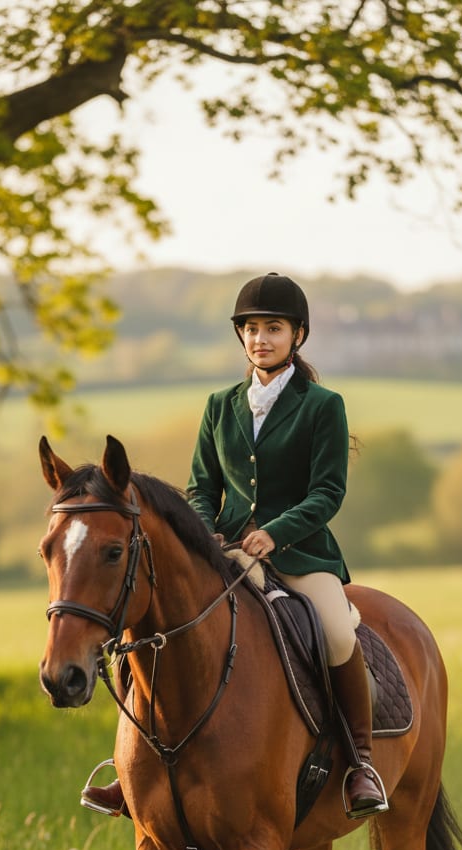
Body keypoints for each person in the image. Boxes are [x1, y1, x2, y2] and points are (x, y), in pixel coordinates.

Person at [81, 272, 387, 820]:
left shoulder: (323, 405)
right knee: (144, 629)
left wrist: (277, 532)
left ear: (298, 334)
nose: (260, 338)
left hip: (301, 555)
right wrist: (207, 536)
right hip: (222, 552)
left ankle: (361, 761)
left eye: (273, 327)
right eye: (251, 328)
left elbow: (327, 492)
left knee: (338, 632)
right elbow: (201, 486)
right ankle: (128, 772)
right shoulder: (220, 404)